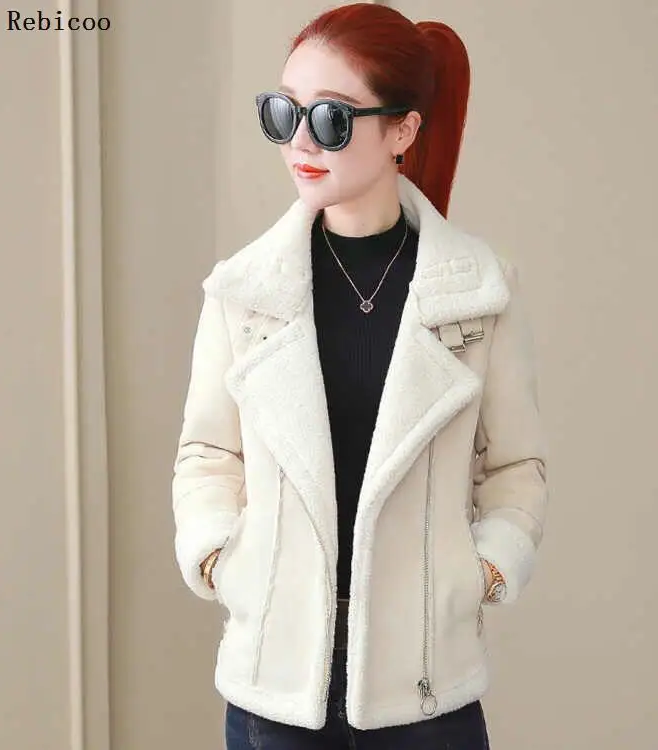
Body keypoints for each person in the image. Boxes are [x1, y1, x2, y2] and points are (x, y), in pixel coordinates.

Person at [171, 4, 548, 749]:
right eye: (285, 113)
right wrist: (221, 559)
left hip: (426, 686)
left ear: (403, 130)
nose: (301, 142)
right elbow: (208, 454)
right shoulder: (242, 292)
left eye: (332, 119)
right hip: (276, 685)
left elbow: (517, 466)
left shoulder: (479, 291)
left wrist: (482, 571)